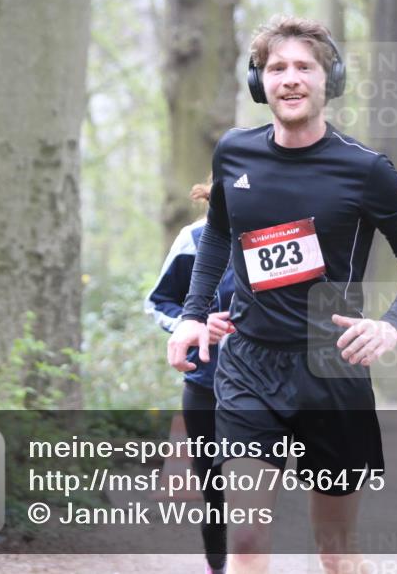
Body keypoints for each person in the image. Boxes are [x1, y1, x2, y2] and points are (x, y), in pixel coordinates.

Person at [166, 16, 397, 574]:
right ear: (259, 83)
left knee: (335, 554)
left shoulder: (368, 171)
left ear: (328, 80)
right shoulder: (234, 154)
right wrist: (193, 315)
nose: (289, 79)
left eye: (303, 67)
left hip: (330, 369)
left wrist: (390, 325)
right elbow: (219, 232)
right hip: (249, 365)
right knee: (246, 542)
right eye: (276, 68)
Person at [145, 181, 236, 574]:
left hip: (266, 385)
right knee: (212, 488)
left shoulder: (278, 240)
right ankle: (217, 566)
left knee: (255, 484)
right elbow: (158, 302)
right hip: (205, 386)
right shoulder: (193, 239)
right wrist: (194, 322)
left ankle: (248, 561)